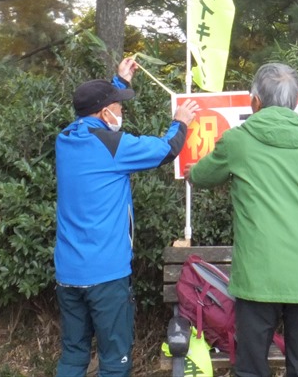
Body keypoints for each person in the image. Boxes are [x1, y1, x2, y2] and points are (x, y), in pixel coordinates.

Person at [188, 63, 298, 377]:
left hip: (258, 275)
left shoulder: (238, 141)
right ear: (295, 102)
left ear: (255, 101)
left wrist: (192, 172)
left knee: (251, 369)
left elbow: (201, 176)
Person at [54, 56, 201, 377]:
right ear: (103, 113)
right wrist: (181, 121)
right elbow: (166, 149)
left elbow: (93, 115)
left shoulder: (65, 139)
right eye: (117, 105)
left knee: (73, 355)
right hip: (106, 274)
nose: (121, 110)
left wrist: (119, 83)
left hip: (67, 271)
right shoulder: (113, 146)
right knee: (114, 360)